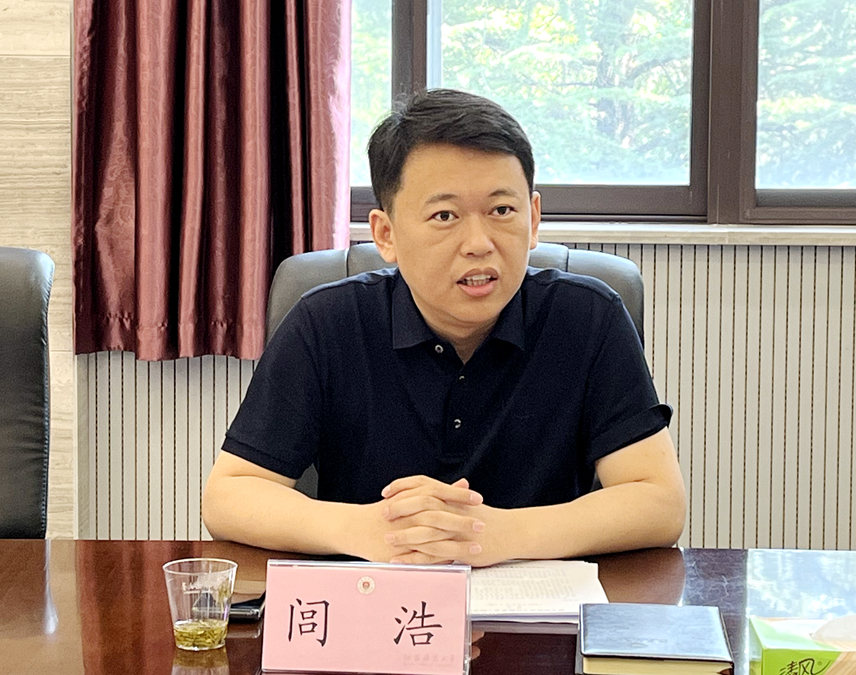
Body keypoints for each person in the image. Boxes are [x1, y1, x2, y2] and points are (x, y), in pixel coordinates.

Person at [202, 89, 685, 567]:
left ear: (534, 219)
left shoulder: (588, 317)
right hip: (372, 601)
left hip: (537, 605)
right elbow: (230, 496)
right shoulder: (326, 322)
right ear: (386, 234)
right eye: (444, 215)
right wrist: (369, 529)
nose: (478, 243)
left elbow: (658, 502)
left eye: (501, 210)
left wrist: (494, 535)